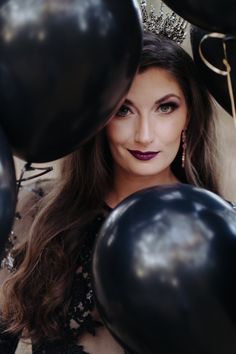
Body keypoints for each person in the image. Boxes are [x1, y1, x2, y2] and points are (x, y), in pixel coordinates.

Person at [0, 30, 220, 354]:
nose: (144, 136)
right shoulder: (34, 214)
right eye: (124, 111)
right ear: (99, 117)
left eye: (165, 107)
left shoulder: (218, 232)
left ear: (189, 116)